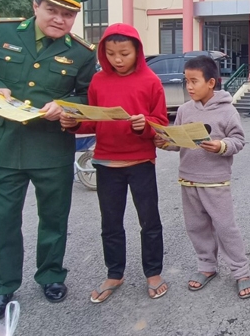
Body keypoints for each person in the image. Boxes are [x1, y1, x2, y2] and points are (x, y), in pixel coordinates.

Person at [0, 0, 97, 318]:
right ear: (35, 6)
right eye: (52, 10)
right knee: (4, 218)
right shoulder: (2, 32)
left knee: (54, 217)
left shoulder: (83, 54)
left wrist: (67, 106)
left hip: (51, 147)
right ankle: (0, 287)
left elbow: (86, 93)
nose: (59, 19)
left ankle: (51, 275)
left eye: (68, 14)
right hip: (4, 144)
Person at [60, 23, 169, 303]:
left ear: (138, 52)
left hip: (141, 161)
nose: (117, 59)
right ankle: (115, 273)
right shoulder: (98, 82)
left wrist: (144, 125)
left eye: (124, 53)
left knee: (150, 221)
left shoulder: (151, 81)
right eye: (110, 53)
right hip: (106, 163)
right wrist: (74, 123)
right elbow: (94, 121)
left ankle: (153, 273)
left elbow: (161, 124)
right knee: (110, 223)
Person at [154, 56, 250, 299]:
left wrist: (221, 145)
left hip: (216, 180)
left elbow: (238, 140)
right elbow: (178, 144)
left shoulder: (227, 110)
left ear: (211, 82)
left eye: (194, 81)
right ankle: (207, 267)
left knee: (225, 227)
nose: (188, 86)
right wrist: (164, 142)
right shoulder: (184, 110)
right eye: (186, 81)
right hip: (188, 179)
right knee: (196, 227)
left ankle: (241, 272)